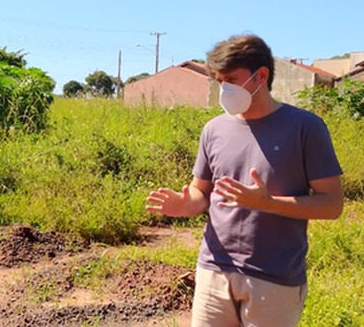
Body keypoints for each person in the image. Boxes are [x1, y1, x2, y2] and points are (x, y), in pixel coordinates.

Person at [146, 34, 343, 327]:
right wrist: (186, 204)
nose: (224, 88)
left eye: (231, 79)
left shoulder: (306, 128)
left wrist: (269, 203)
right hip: (214, 269)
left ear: (261, 75)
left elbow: (332, 205)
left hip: (274, 278)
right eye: (218, 80)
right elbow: (201, 192)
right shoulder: (214, 129)